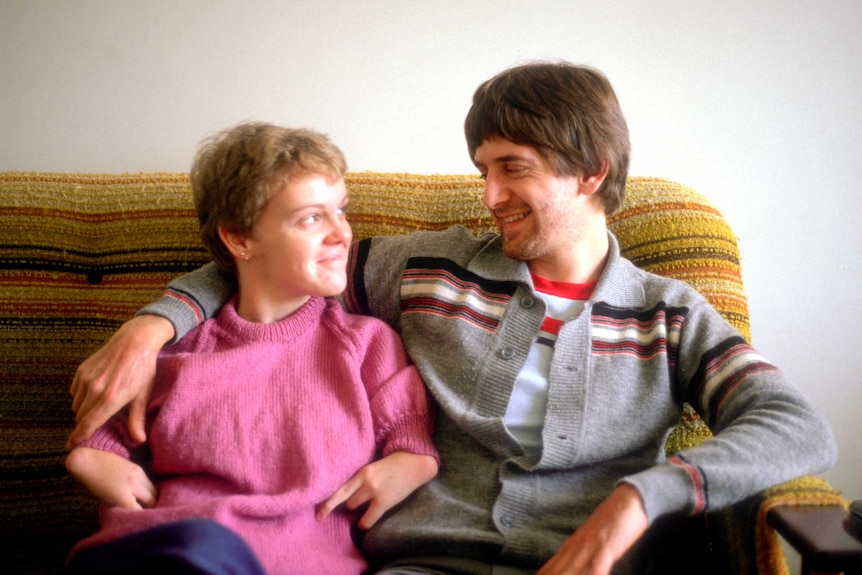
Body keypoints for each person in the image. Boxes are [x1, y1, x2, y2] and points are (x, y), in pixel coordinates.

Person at [68, 62, 837, 575]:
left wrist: (642, 496)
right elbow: (275, 260)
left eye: (514, 169)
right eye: (484, 171)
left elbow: (797, 427)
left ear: (591, 172)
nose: (491, 195)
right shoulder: (428, 267)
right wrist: (154, 327)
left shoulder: (668, 316)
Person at [65, 123, 439, 574]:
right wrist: (91, 459)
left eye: (341, 210)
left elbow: (410, 434)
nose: (342, 234)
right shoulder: (177, 349)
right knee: (196, 546)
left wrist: (413, 462)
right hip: (176, 551)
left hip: (304, 563)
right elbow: (105, 436)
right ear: (240, 239)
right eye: (311, 218)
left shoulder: (366, 344)